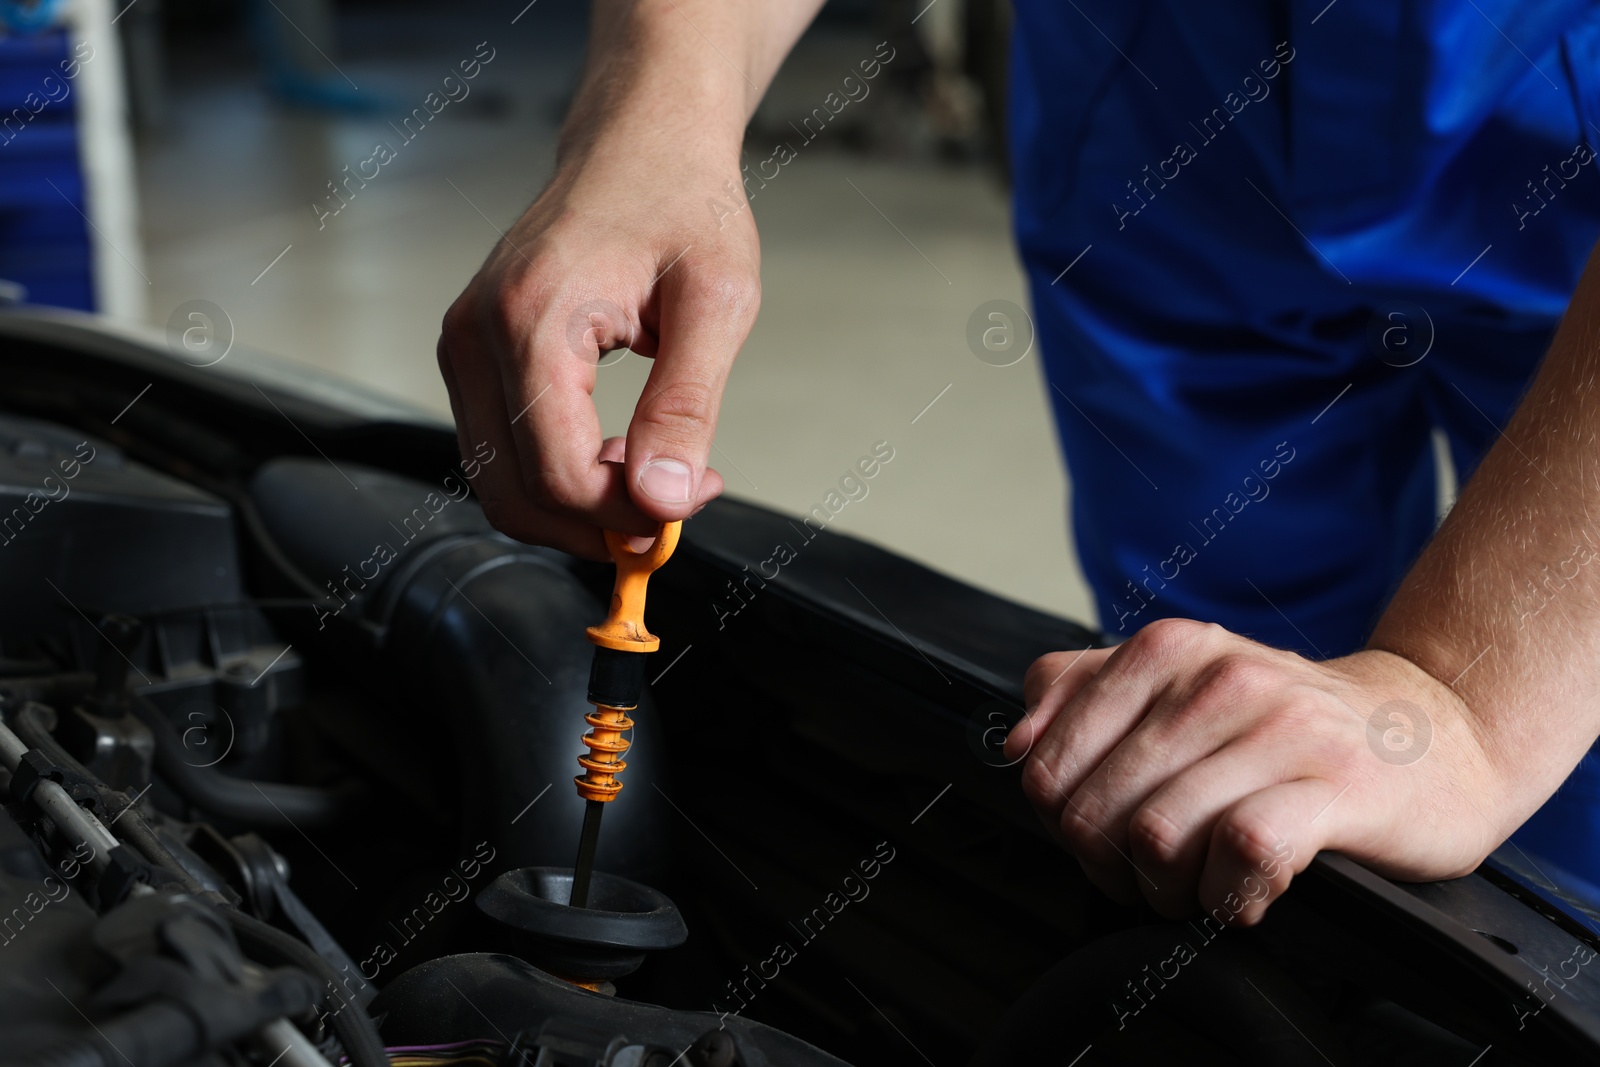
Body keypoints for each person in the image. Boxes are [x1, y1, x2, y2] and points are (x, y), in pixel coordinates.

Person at [437, 0, 1600, 924]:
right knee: (1205, 748)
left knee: (1548, 812)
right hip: (1161, 75)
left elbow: (1483, 714)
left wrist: (1465, 701)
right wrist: (654, 118)